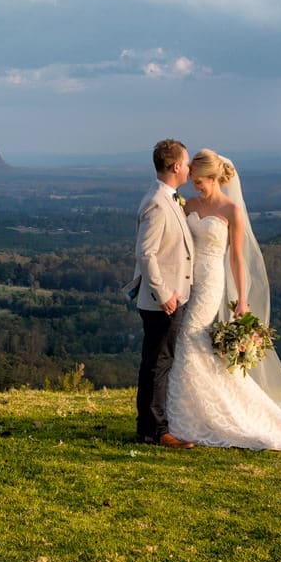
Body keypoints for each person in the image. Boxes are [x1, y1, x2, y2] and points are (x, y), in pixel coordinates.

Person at [165, 149, 281, 451]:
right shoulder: (188, 204)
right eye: (194, 181)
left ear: (214, 178)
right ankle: (191, 410)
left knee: (188, 339)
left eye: (200, 181)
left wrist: (242, 300)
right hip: (187, 281)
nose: (195, 186)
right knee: (188, 343)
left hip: (211, 282)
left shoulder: (231, 210)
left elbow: (238, 259)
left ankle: (190, 417)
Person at [125, 138, 196, 448]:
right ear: (177, 166)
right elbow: (146, 253)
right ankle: (156, 431)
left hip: (169, 297)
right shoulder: (157, 201)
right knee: (158, 363)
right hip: (162, 302)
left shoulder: (169, 198)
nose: (191, 167)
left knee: (158, 361)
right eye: (187, 161)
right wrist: (164, 293)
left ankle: (148, 429)